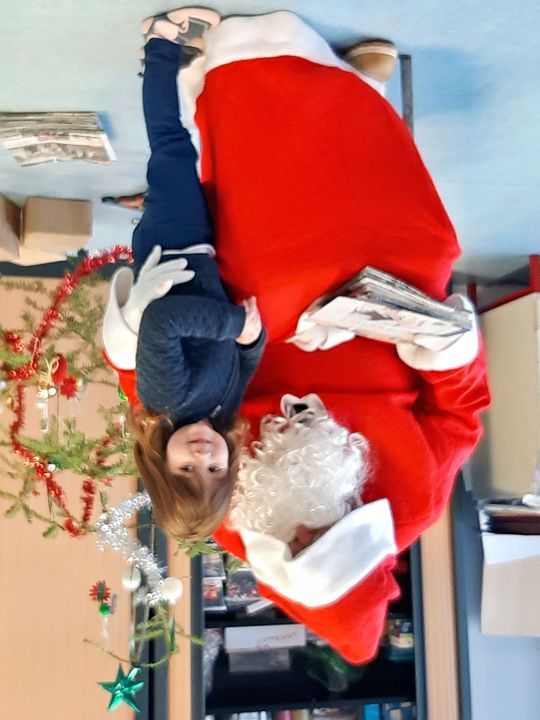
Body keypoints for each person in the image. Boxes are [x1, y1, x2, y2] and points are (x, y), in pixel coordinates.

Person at [105, 10, 490, 663]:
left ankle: (242, 91)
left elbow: (161, 408)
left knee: (278, 262)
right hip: (382, 331)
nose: (307, 531)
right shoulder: (413, 506)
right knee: (426, 251)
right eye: (325, 540)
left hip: (252, 322)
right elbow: (460, 413)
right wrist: (441, 348)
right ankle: (359, 100)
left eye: (299, 546)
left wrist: (129, 341)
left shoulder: (226, 513)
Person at [102, 8, 266, 542]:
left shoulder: (167, 398)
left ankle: (160, 42)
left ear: (159, 464)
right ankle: (166, 64)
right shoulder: (220, 412)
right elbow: (244, 363)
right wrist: (252, 338)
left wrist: (233, 324)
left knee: (171, 145)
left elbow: (165, 323)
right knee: (193, 156)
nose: (202, 454)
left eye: (186, 468)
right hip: (203, 253)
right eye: (214, 468)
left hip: (172, 245)